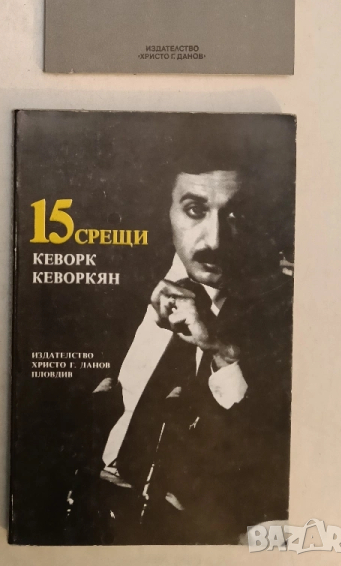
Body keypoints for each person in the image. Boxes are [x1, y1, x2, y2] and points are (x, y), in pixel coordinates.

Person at [72, 132, 294, 545]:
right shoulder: (112, 288)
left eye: (236, 215)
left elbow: (280, 460)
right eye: (195, 210)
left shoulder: (287, 313)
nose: (215, 240)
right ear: (167, 211)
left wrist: (222, 351)